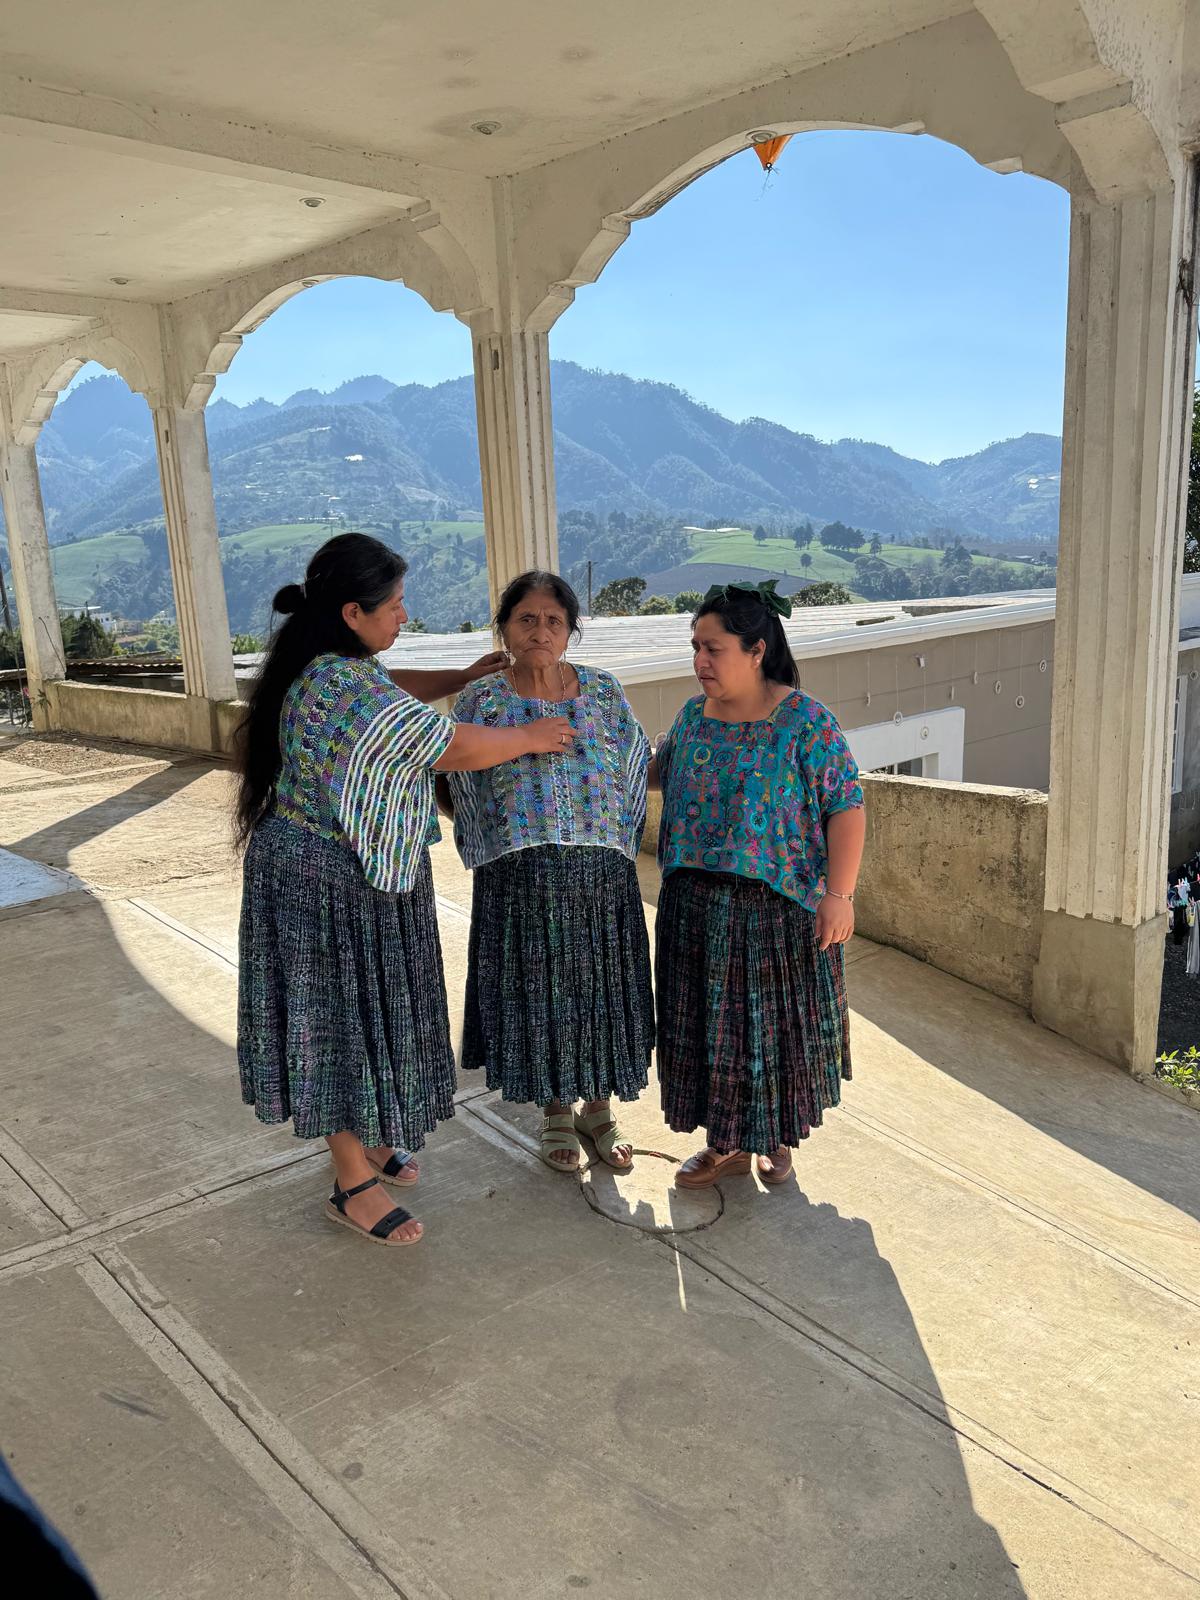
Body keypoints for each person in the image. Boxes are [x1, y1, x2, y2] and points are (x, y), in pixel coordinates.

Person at [234, 533, 576, 1245]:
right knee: (334, 1025)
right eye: (393, 605)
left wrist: (458, 676)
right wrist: (533, 737)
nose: (403, 615)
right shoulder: (339, 686)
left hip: (358, 875)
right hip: (322, 884)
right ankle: (351, 1180)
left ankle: (372, 1135)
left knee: (370, 1017)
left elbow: (394, 688)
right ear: (354, 612)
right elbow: (452, 747)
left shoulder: (332, 663)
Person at [651, 579, 866, 1189]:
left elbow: (846, 807)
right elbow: (656, 774)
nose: (699, 661)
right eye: (695, 646)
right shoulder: (693, 716)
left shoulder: (805, 722)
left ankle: (773, 1136)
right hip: (694, 906)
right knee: (711, 1031)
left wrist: (840, 895)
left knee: (768, 1032)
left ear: (756, 650)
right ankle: (726, 1143)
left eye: (713, 648)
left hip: (776, 913)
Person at [446, 571, 654, 1172]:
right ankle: (556, 1112)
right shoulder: (481, 700)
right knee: (544, 996)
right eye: (526, 619)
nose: (540, 631)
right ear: (505, 628)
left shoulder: (604, 691)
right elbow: (460, 776)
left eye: (553, 621)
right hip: (522, 878)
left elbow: (634, 763)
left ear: (571, 631)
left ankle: (599, 1108)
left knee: (600, 992)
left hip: (599, 877)